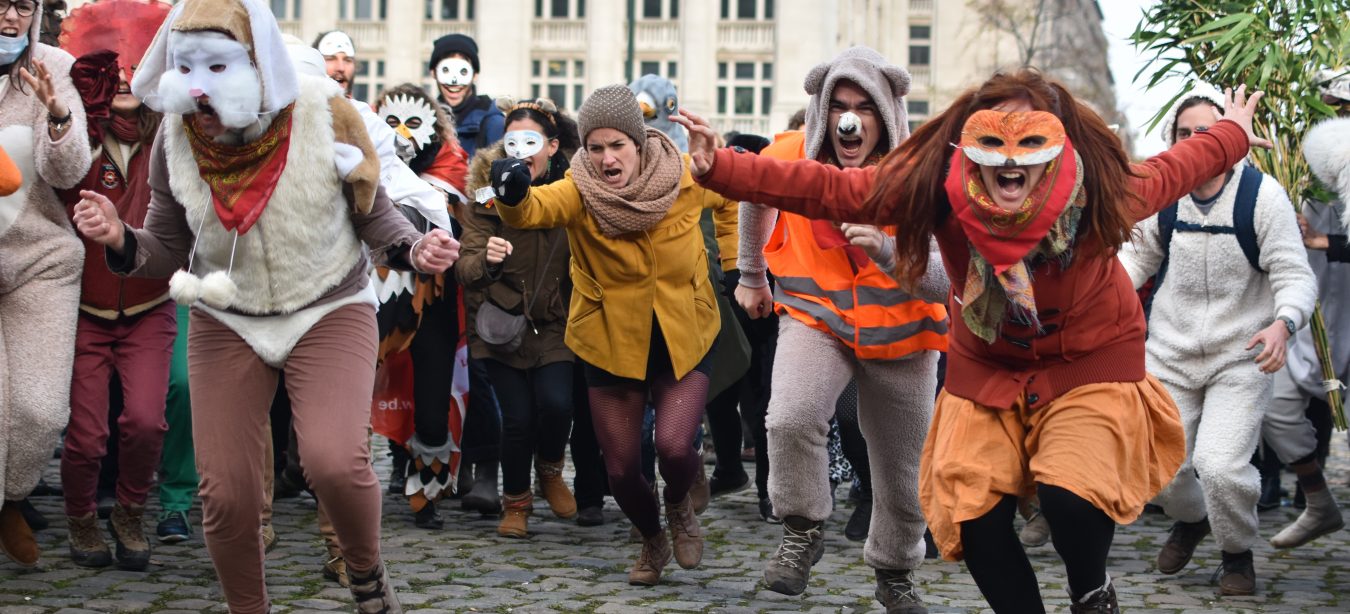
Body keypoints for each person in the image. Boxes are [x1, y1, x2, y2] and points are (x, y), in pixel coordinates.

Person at [677, 71, 1271, 613]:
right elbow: (829, 189)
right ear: (969, 151)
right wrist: (721, 168)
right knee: (977, 518)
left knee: (1069, 494)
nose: (1010, 167)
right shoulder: (937, 190)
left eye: (1028, 149)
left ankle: (1092, 589)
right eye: (995, 149)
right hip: (989, 369)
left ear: (1056, 153)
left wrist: (1233, 131)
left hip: (1085, 364)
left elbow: (1182, 165)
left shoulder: (1100, 192)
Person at [71, 1, 459, 611]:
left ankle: (364, 570)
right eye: (186, 67)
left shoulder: (328, 115)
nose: (199, 90)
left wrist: (416, 247)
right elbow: (167, 244)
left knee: (332, 462)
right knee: (225, 495)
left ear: (257, 65)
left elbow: (375, 216)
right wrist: (119, 239)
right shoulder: (177, 132)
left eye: (218, 68)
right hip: (228, 315)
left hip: (327, 303)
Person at [728, 47, 948, 611]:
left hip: (904, 333)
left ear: (886, 113)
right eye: (840, 106)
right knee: (790, 415)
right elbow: (756, 189)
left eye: (864, 108)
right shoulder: (793, 153)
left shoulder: (925, 174)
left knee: (901, 468)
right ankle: (802, 528)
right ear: (823, 110)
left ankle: (895, 572)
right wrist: (752, 273)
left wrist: (891, 251)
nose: (850, 121)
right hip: (817, 312)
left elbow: (950, 279)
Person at [492, 84, 737, 586]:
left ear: (640, 142)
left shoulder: (685, 175)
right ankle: (652, 538)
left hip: (682, 329)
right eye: (596, 147)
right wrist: (511, 194)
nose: (606, 158)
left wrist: (734, 265)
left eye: (617, 145)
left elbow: (733, 199)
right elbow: (532, 212)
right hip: (610, 337)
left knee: (673, 446)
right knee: (622, 470)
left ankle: (679, 505)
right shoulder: (579, 189)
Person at [1119, 94, 1316, 596]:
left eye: (1208, 131)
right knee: (1160, 469)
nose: (1197, 142)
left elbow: (1296, 276)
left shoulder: (1262, 197)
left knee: (1222, 466)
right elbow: (1130, 267)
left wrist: (1283, 324)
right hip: (1169, 354)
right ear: (1173, 141)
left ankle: (1236, 555)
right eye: (1185, 134)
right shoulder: (1162, 197)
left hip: (1242, 355)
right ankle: (1192, 518)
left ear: (1234, 140)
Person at [54, 0, 175, 570]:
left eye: (138, 64)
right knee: (84, 435)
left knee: (147, 421)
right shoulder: (81, 138)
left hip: (151, 303)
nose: (126, 76)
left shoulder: (172, 140)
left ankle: (129, 511)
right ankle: (81, 517)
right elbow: (53, 178)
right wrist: (63, 120)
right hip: (84, 306)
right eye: (116, 65)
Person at [458, 98, 581, 538]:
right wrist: (488, 261)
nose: (523, 152)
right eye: (514, 143)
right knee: (517, 419)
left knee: (556, 404)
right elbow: (466, 266)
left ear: (551, 146)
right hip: (501, 323)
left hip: (556, 322)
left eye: (532, 142)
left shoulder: (574, 190)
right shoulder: (485, 197)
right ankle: (517, 504)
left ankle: (549, 470)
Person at [0, 0, 90, 569]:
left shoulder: (52, 65)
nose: (11, 17)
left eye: (23, 6)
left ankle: (12, 497)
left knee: (40, 413)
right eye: (2, 3)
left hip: (40, 258)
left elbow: (69, 172)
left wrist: (58, 118)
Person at [373, 83, 472, 527]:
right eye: (390, 123)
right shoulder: (360, 166)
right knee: (352, 397)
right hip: (372, 299)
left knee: (431, 408)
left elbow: (466, 235)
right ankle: (337, 496)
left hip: (434, 300)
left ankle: (426, 495)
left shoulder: (452, 172)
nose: (402, 133)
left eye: (413, 123)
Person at [429, 33, 503, 158]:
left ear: (474, 75)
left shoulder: (494, 123)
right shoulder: (424, 120)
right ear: (433, 73)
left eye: (463, 71)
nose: (454, 81)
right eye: (446, 70)